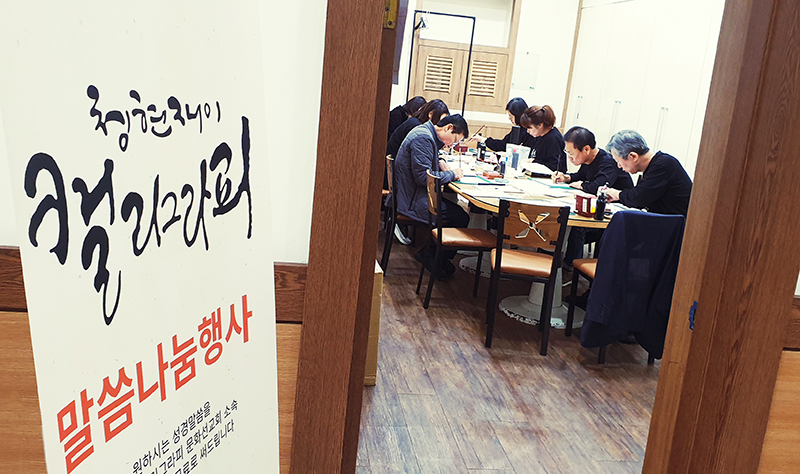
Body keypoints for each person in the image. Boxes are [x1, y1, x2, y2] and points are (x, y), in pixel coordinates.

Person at [393, 114, 470, 275]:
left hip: (410, 194)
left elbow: (426, 161)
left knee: (456, 212)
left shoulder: (425, 132)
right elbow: (423, 178)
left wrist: (440, 160)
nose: (452, 145)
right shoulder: (423, 138)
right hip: (411, 200)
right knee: (461, 217)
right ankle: (434, 258)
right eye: (455, 140)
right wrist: (452, 174)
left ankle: (432, 254)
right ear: (449, 128)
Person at [555, 126, 634, 270]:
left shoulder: (608, 162)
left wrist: (582, 185)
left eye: (571, 154)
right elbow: (581, 176)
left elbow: (598, 187)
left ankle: (570, 267)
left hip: (617, 214)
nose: (569, 158)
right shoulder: (588, 160)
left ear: (586, 149)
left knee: (578, 226)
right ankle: (563, 260)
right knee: (570, 221)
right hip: (599, 209)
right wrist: (566, 178)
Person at [604, 129, 693, 217]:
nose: (619, 166)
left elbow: (638, 198)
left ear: (633, 156)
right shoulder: (655, 166)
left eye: (618, 161)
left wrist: (617, 194)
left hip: (676, 223)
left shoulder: (663, 165)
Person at [472, 97, 536, 152]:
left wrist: (482, 139)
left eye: (511, 116)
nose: (510, 119)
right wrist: (482, 139)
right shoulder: (518, 129)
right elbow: (503, 144)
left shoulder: (529, 131)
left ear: (518, 115)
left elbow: (503, 146)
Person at [519, 105, 567, 172]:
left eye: (530, 128)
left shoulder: (553, 138)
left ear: (540, 125)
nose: (528, 131)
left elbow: (554, 166)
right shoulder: (539, 135)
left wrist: (533, 161)